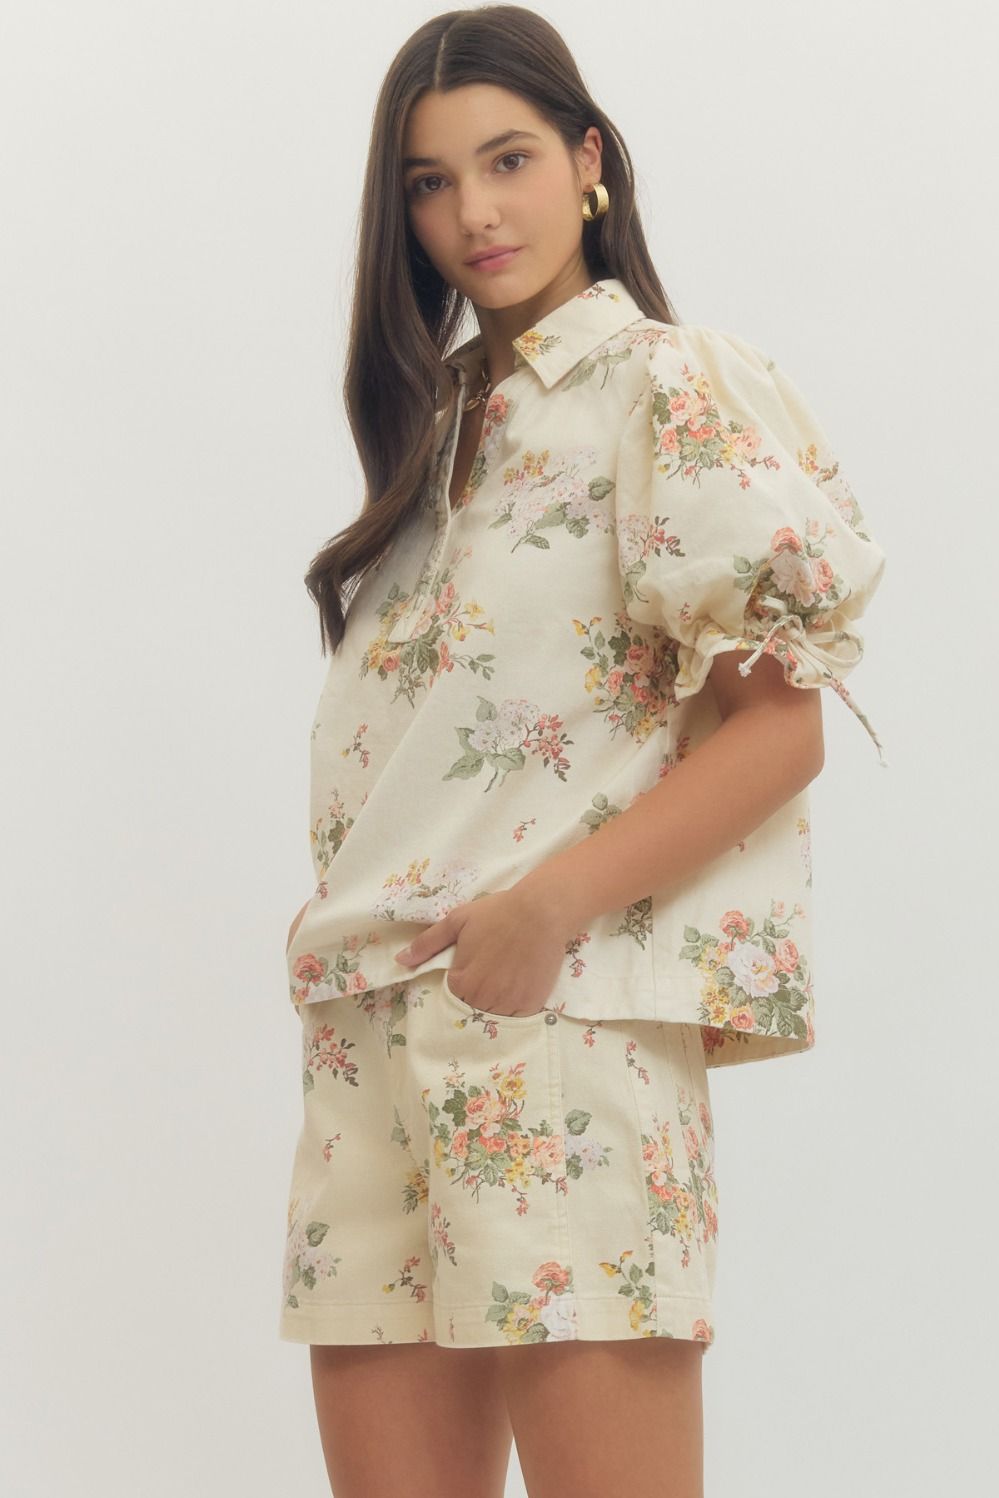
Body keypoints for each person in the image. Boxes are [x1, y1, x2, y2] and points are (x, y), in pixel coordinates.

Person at [277, 7, 888, 1496]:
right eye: (428, 183)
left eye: (507, 160)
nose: (473, 213)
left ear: (588, 163)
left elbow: (779, 726)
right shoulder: (437, 445)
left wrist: (546, 907)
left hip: (564, 1036)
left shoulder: (665, 390)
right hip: (371, 1036)